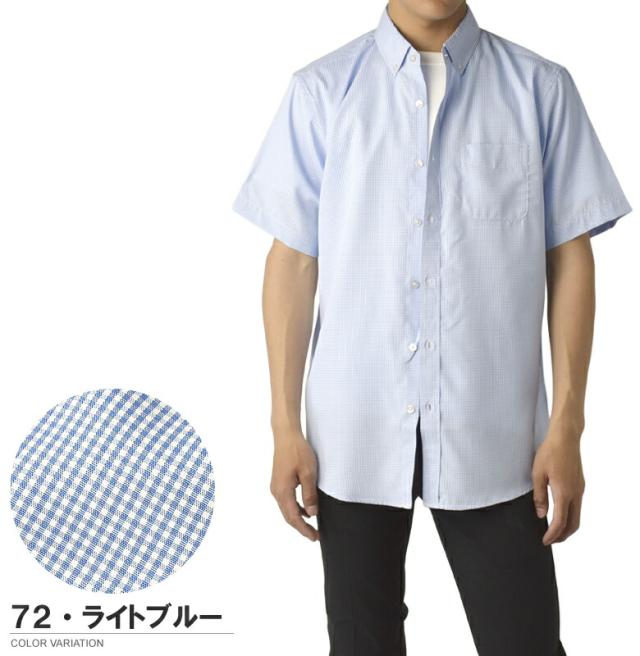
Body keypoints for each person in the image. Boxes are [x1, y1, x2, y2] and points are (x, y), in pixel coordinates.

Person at [232, 1, 632, 654]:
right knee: (362, 644)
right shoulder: (321, 91)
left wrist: (567, 428)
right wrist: (283, 426)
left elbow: (570, 259)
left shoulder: (540, 89)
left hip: (497, 439)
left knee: (525, 641)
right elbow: (294, 261)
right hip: (352, 436)